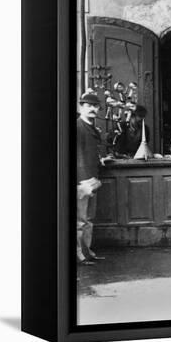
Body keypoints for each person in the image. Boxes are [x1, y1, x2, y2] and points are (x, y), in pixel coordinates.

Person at [76, 93, 109, 265]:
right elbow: (76, 155)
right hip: (83, 180)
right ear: (81, 107)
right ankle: (79, 256)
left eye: (95, 106)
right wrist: (82, 180)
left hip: (93, 177)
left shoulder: (92, 128)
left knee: (88, 220)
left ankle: (87, 252)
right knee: (80, 221)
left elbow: (91, 152)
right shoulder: (78, 126)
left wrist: (100, 160)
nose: (93, 109)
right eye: (89, 105)